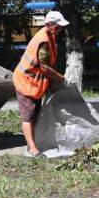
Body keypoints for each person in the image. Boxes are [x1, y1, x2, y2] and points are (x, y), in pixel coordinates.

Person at [13, 10, 69, 158]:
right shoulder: (43, 40)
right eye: (58, 26)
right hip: (25, 82)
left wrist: (52, 80)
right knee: (28, 116)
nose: (60, 29)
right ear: (49, 25)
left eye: (60, 27)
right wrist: (61, 78)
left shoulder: (50, 36)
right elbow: (44, 67)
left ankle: (34, 144)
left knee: (35, 114)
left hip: (34, 83)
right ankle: (32, 150)